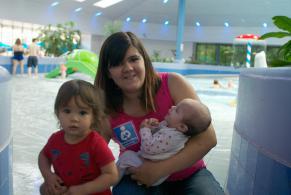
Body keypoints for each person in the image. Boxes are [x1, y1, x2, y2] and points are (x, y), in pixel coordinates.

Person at [94, 31, 224, 194]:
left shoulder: (173, 83)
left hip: (189, 175)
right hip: (137, 180)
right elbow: (91, 153)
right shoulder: (106, 110)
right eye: (118, 63)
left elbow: (208, 139)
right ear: (108, 72)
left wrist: (158, 170)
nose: (128, 68)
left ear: (144, 61)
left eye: (134, 59)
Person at [38, 79, 118, 195]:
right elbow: (44, 156)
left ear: (94, 117)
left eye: (82, 113)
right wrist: (48, 175)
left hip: (92, 192)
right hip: (66, 190)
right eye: (67, 111)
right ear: (57, 113)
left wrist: (82, 190)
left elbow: (112, 175)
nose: (74, 118)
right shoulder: (55, 139)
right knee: (44, 189)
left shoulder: (95, 143)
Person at [117, 98, 212, 186]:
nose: (172, 107)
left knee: (126, 156)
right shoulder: (172, 129)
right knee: (128, 159)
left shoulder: (172, 137)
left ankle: (113, 179)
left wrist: (144, 129)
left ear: (182, 127)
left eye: (177, 110)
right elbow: (158, 139)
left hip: (153, 173)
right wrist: (153, 127)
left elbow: (148, 147)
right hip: (150, 164)